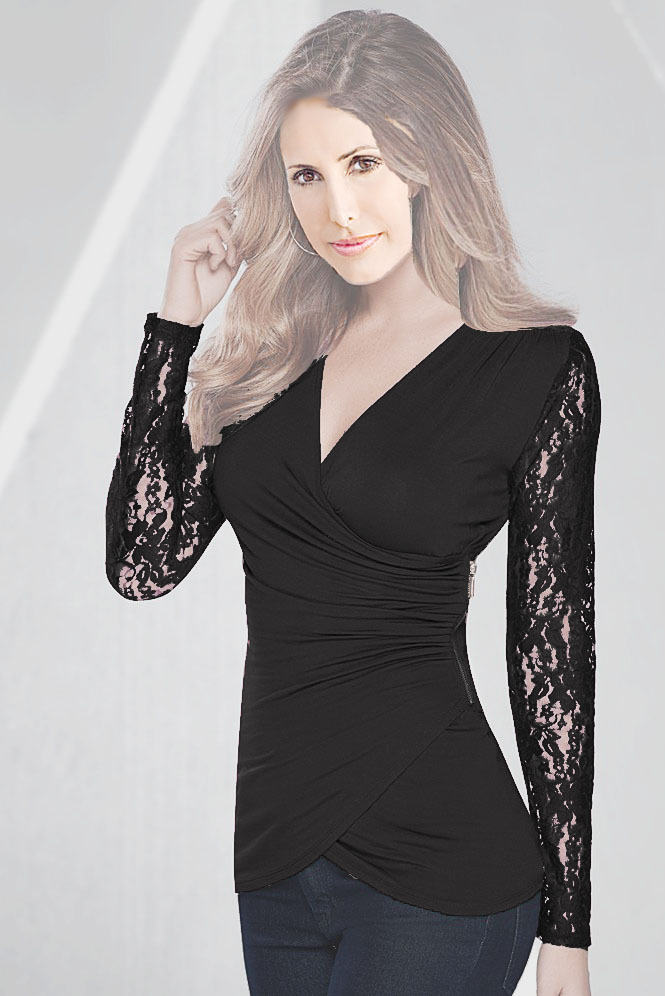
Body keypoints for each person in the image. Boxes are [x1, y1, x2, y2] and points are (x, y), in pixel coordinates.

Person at [105, 10, 600, 995]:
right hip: (276, 863)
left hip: (443, 865)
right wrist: (176, 324)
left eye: (363, 163)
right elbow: (140, 564)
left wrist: (569, 929)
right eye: (307, 175)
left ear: (426, 158)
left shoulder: (535, 368)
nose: (338, 208)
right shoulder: (269, 359)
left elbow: (550, 645)